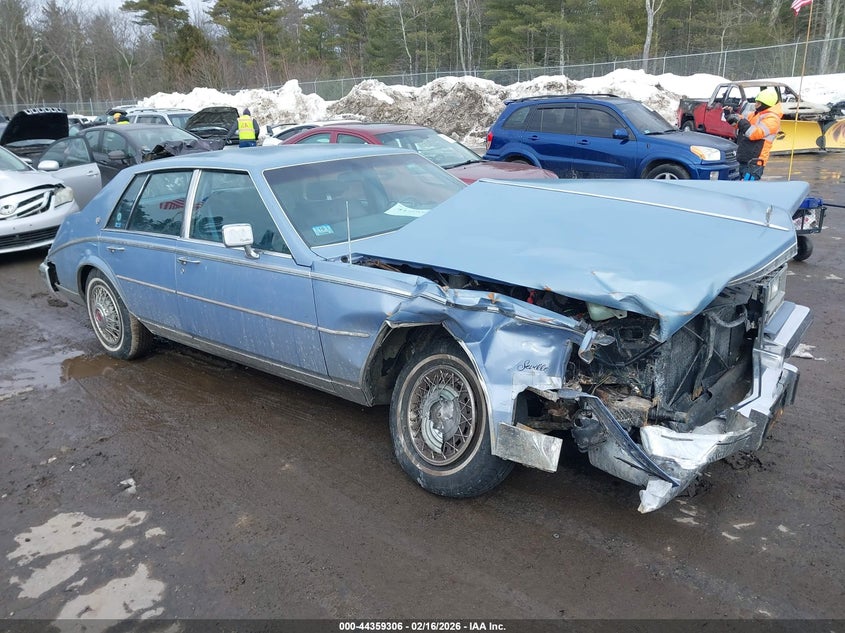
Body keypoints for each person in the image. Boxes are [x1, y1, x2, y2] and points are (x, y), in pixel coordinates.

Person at [724, 87, 782, 180]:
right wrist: (730, 115)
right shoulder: (756, 114)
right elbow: (741, 124)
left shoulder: (772, 119)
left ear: (765, 104)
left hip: (755, 162)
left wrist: (740, 120)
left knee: (748, 189)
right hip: (746, 157)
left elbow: (754, 134)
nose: (755, 105)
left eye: (758, 103)